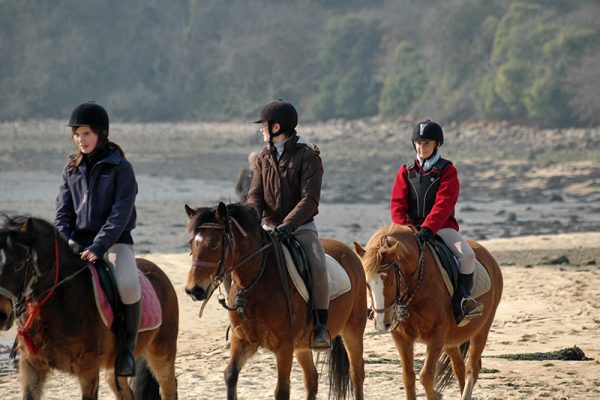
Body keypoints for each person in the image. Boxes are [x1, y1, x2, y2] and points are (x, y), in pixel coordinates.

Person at [55, 101, 141, 375]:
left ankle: (126, 352)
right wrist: (67, 240)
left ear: (100, 134)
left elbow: (119, 214)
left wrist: (99, 246)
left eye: (87, 134)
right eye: (77, 134)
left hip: (114, 243)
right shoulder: (70, 168)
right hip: (76, 244)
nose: (81, 140)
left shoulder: (121, 168)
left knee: (128, 286)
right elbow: (62, 212)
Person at [246, 100, 330, 350]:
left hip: (301, 227)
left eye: (264, 126)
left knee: (318, 265)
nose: (261, 130)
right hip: (269, 228)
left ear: (277, 127)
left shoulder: (308, 156)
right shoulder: (262, 157)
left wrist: (288, 225)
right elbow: (255, 195)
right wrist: (251, 219)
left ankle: (320, 327)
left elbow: (310, 199)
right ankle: (241, 318)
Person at [389, 119, 483, 327]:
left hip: (441, 227)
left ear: (437, 144)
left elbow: (444, 203)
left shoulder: (447, 170)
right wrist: (405, 227)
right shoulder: (406, 170)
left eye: (427, 144)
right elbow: (397, 203)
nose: (422, 148)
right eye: (419, 144)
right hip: (409, 228)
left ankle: (463, 300)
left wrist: (429, 228)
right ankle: (385, 305)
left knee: (467, 256)